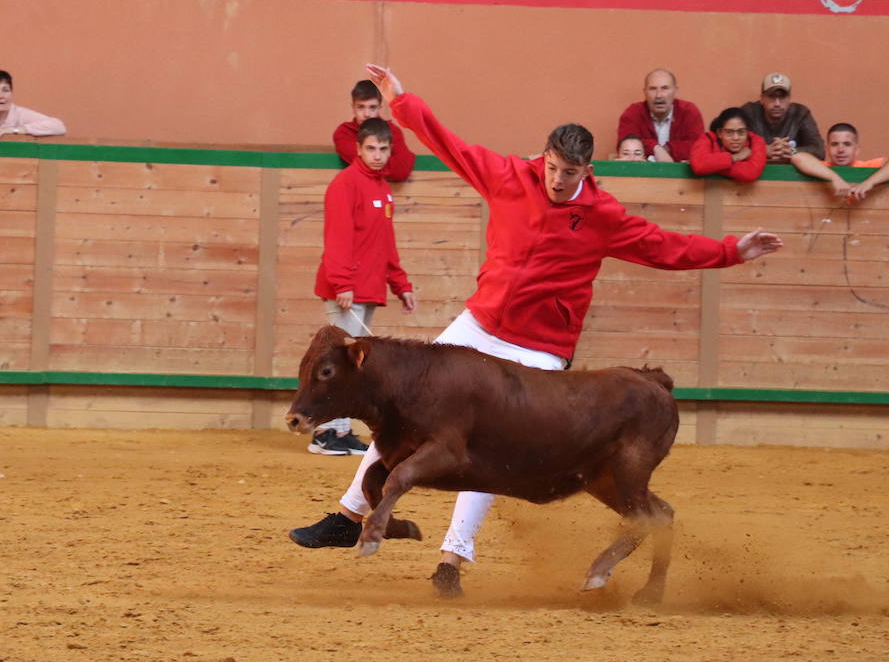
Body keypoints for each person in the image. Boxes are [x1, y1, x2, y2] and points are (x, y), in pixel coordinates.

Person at [289, 63, 784, 598]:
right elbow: (449, 144)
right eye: (551, 167)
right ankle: (347, 515)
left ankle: (453, 558)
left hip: (539, 348)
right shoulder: (508, 176)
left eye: (567, 173)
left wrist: (733, 250)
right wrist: (402, 103)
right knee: (396, 406)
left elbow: (666, 248)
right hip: (478, 324)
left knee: (489, 449)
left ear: (586, 170)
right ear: (543, 158)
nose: (555, 180)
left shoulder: (603, 214)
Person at [310, 116, 417, 456]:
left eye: (384, 149)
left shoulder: (382, 188)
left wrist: (400, 284)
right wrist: (342, 282)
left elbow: (386, 243)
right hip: (346, 289)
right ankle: (325, 431)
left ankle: (340, 431)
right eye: (371, 148)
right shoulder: (345, 184)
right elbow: (337, 237)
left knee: (350, 363)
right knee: (337, 361)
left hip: (367, 289)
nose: (378, 155)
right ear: (358, 149)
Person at [790, 122, 889, 201]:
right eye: (834, 144)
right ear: (827, 149)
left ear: (857, 149)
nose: (841, 150)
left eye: (847, 144)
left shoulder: (868, 166)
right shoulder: (821, 167)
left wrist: (869, 183)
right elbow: (798, 157)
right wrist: (835, 178)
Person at [332, 79, 416, 182]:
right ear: (353, 107)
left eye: (372, 107)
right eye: (361, 107)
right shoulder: (344, 133)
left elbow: (400, 171)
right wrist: (386, 162)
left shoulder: (393, 131)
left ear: (380, 107)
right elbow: (369, 163)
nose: (367, 114)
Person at [614, 68, 704, 162]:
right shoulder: (633, 113)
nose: (659, 95)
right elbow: (624, 144)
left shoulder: (689, 111)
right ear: (645, 92)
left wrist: (668, 149)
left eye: (665, 88)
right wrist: (655, 148)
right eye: (652, 89)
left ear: (675, 91)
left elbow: (698, 147)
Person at [739, 73, 824, 163]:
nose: (777, 104)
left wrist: (791, 151)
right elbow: (732, 147)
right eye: (771, 97)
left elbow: (819, 150)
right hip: (755, 173)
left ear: (789, 98)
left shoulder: (800, 114)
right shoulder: (749, 112)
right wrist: (762, 150)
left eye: (782, 97)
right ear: (762, 98)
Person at [689, 107, 767, 183]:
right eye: (729, 132)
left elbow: (750, 173)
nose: (736, 138)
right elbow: (699, 165)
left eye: (741, 132)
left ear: (747, 132)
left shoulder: (755, 141)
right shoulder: (709, 139)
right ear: (719, 133)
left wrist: (713, 167)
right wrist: (734, 158)